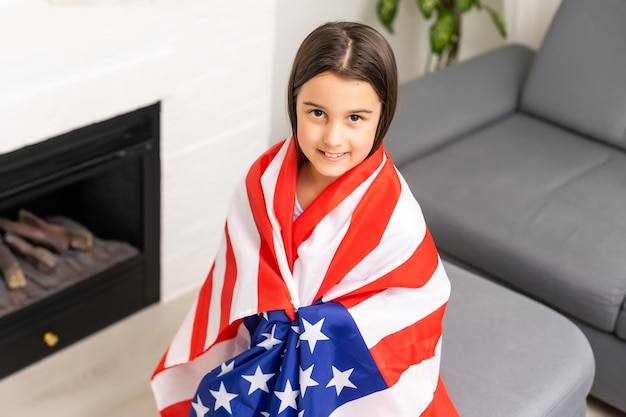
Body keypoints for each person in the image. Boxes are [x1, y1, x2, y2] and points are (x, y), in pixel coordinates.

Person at [151, 21, 458, 417]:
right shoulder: (262, 182)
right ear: (294, 103)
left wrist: (316, 329)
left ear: (383, 116)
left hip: (337, 371)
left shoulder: (394, 215)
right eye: (317, 113)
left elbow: (418, 300)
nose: (332, 138)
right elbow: (239, 267)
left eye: (355, 118)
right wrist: (276, 317)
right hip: (261, 347)